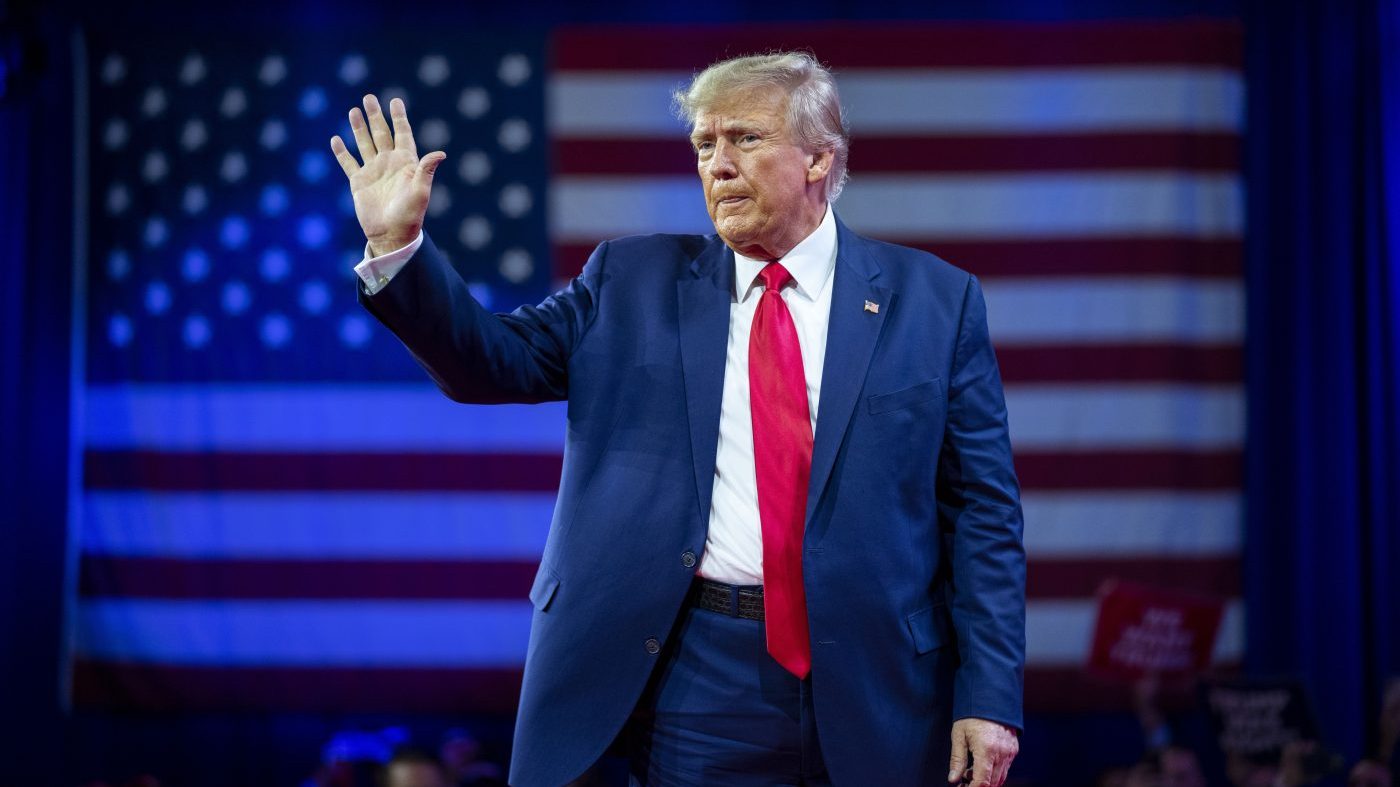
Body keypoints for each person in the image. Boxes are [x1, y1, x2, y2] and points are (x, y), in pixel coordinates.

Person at [329, 51, 1026, 787]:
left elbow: (982, 515)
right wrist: (398, 248)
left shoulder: (935, 303)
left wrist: (989, 696)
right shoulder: (630, 283)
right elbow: (488, 362)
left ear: (820, 157)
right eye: (703, 144)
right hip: (696, 675)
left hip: (877, 682)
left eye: (744, 140)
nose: (716, 165)